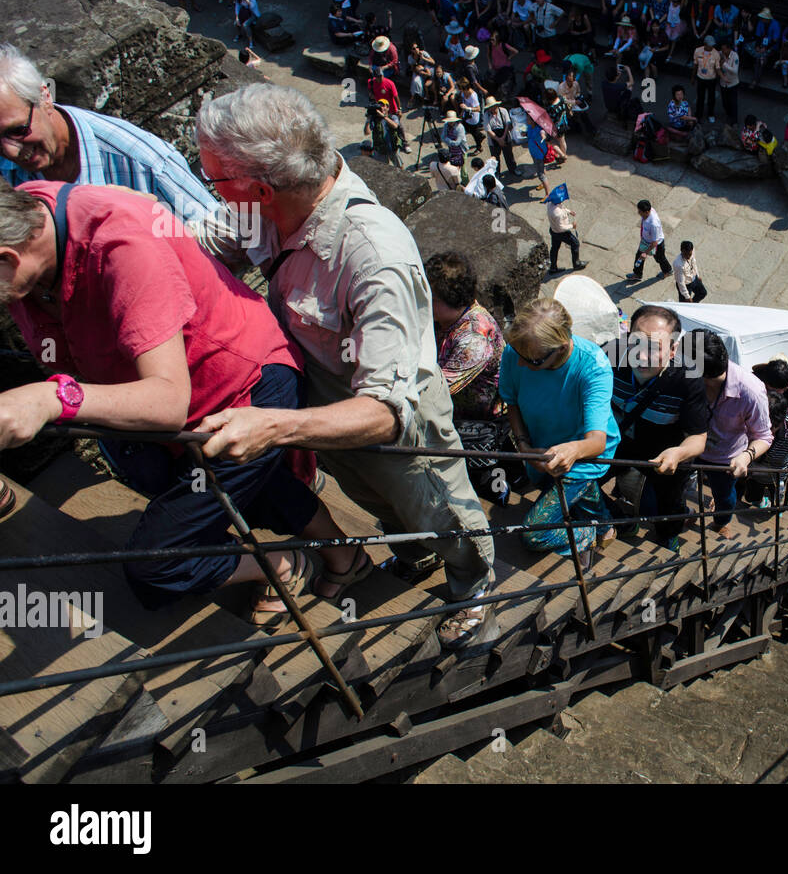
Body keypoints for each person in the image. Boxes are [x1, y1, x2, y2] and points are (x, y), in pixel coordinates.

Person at [192, 84, 497, 645]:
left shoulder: (373, 258)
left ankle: (473, 585)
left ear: (260, 188)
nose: (212, 191)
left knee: (439, 509)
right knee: (374, 500)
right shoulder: (270, 210)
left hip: (395, 421)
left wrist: (275, 426)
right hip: (328, 410)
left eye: (214, 179)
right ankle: (415, 552)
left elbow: (386, 412)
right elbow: (200, 245)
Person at [0, 179, 368, 621]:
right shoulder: (33, 214)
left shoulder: (118, 248)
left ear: (8, 259)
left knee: (156, 563)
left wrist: (53, 398)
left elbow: (167, 402)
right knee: (237, 480)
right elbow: (133, 199)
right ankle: (345, 555)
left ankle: (280, 563)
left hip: (242, 384)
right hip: (180, 398)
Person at [0, 44, 220, 230]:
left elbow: (220, 241)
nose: (10, 151)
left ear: (45, 97)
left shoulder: (147, 164)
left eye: (18, 130)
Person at [500, 298, 619, 570]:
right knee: (549, 485)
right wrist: (523, 445)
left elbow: (596, 441)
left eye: (533, 360)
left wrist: (572, 451)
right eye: (517, 354)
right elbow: (512, 401)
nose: (521, 364)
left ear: (562, 347)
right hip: (539, 443)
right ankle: (602, 524)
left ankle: (585, 533)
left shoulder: (593, 367)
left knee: (533, 534)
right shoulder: (518, 351)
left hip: (583, 455)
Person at [607, 307, 708, 550]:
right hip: (619, 440)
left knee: (668, 506)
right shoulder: (609, 355)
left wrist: (678, 453)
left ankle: (667, 536)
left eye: (654, 348)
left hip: (665, 452)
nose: (642, 356)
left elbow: (698, 437)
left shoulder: (688, 378)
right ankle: (621, 521)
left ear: (673, 350)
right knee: (582, 479)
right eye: (636, 343)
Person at [697, 332, 773, 539]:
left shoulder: (751, 391)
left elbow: (764, 436)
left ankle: (721, 521)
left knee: (724, 496)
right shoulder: (688, 373)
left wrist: (745, 457)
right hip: (689, 445)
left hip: (726, 457)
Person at [427, 251, 504, 425]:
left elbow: (435, 392)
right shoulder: (445, 318)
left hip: (475, 423)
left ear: (450, 299)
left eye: (431, 298)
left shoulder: (475, 339)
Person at [744, 389, 788, 510]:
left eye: (772, 426)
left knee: (778, 505)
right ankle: (762, 501)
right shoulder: (749, 417)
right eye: (763, 425)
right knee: (751, 498)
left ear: (782, 420)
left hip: (780, 473)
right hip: (755, 470)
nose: (766, 431)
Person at [545, 184, 585, 274]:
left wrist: (569, 211)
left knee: (554, 248)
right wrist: (572, 226)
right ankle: (576, 263)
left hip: (553, 230)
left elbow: (562, 207)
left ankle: (553, 267)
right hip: (561, 233)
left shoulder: (550, 204)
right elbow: (561, 227)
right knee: (575, 243)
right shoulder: (557, 214)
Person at [629, 198, 671, 280]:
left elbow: (654, 242)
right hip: (645, 241)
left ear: (647, 212)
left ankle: (667, 271)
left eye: (640, 212)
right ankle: (637, 274)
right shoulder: (650, 210)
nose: (638, 213)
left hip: (656, 244)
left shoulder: (653, 224)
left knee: (660, 258)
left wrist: (645, 253)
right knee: (639, 256)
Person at [692, 35, 721, 124]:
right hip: (700, 78)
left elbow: (717, 68)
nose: (711, 47)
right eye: (709, 45)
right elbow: (695, 65)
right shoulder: (697, 51)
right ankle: (698, 115)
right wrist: (693, 77)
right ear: (705, 44)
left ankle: (711, 114)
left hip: (711, 79)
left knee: (711, 98)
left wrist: (720, 78)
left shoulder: (716, 53)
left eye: (712, 45)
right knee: (700, 97)